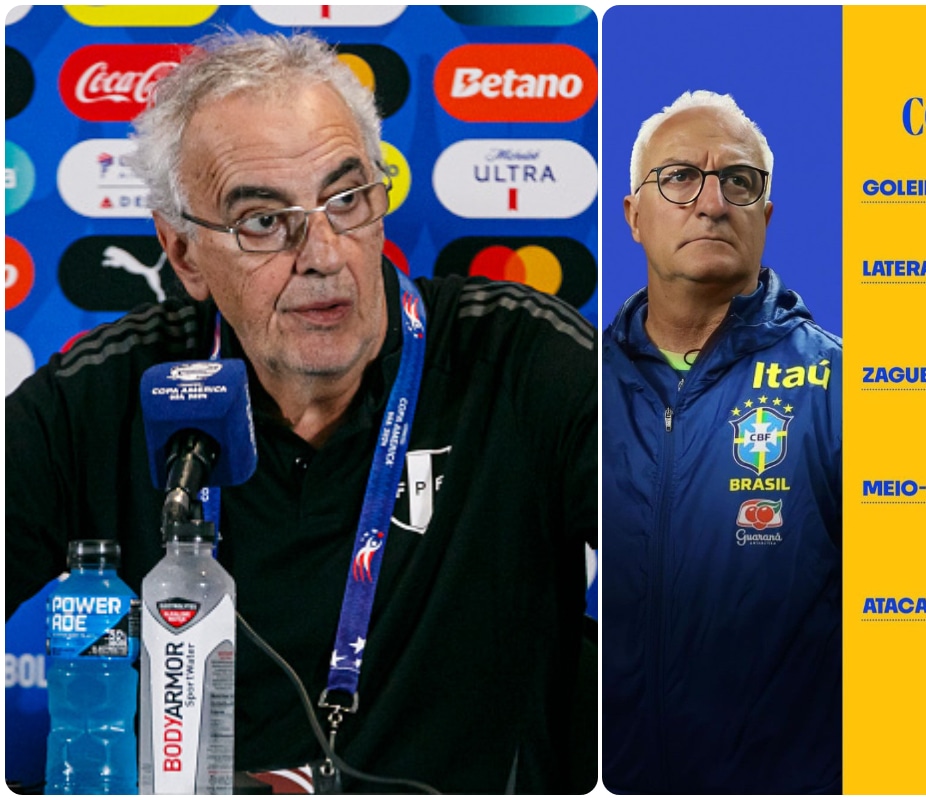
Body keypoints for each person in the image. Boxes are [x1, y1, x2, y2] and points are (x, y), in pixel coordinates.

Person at [6, 31, 597, 794]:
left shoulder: (521, 360)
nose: (324, 254)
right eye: (263, 221)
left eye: (346, 200)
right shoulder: (104, 396)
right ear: (184, 253)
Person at [601, 90, 841, 793]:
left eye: (738, 181)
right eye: (679, 178)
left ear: (765, 216)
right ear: (633, 216)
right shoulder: (574, 388)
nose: (711, 203)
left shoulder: (842, 391)